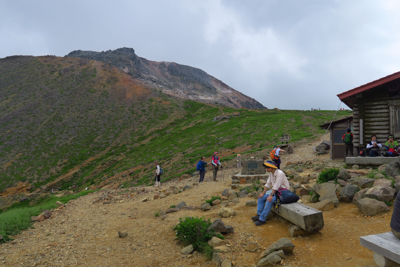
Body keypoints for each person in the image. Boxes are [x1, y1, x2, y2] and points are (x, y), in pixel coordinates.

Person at [252, 161, 290, 226]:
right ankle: (260, 214)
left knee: (270, 200)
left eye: (268, 167)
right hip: (275, 190)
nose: (266, 169)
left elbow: (276, 186)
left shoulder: (280, 173)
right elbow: (268, 184)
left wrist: (271, 195)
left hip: (283, 191)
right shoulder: (271, 173)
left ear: (272, 168)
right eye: (266, 167)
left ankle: (262, 219)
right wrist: (263, 193)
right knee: (261, 198)